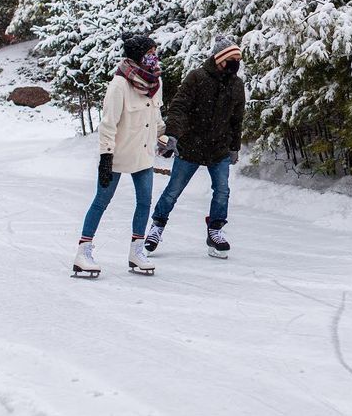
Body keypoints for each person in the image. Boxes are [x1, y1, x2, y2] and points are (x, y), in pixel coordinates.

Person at [144, 35, 246, 259]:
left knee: (222, 191)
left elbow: (236, 118)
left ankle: (215, 230)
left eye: (238, 60)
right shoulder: (197, 77)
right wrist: (173, 135)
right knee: (173, 190)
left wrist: (234, 146)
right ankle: (157, 227)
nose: (235, 64)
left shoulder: (236, 85)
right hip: (191, 145)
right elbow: (179, 107)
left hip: (219, 148)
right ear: (219, 59)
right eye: (231, 60)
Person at [72, 33, 165, 277]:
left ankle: (136, 251)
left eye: (155, 53)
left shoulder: (155, 83)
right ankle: (83, 252)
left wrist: (165, 138)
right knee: (101, 201)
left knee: (144, 202)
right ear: (138, 56)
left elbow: (156, 119)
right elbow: (108, 124)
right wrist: (106, 157)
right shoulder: (119, 85)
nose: (154, 58)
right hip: (117, 155)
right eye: (150, 53)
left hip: (143, 155)